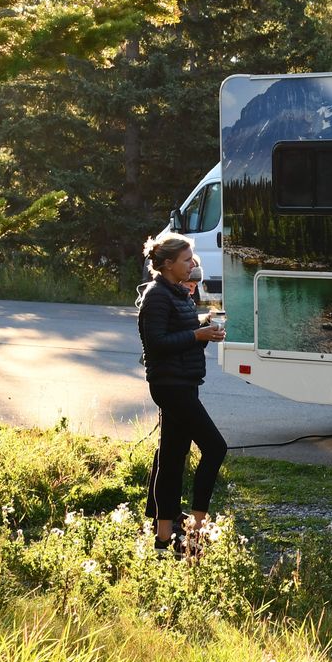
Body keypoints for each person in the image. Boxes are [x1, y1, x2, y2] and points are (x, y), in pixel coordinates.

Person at [136, 231, 230, 557]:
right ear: (168, 264)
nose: (192, 265)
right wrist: (197, 334)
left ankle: (164, 539)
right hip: (170, 386)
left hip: (184, 382)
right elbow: (156, 344)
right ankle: (195, 532)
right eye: (187, 260)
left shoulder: (178, 293)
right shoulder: (157, 296)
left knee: (173, 457)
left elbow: (183, 337)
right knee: (215, 447)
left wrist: (205, 331)